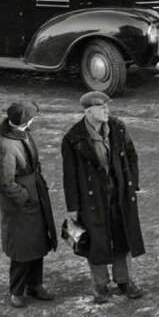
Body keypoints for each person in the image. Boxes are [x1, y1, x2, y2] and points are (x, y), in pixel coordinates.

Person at [61, 91, 147, 305]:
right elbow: (69, 175)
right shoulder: (73, 138)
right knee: (96, 243)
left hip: (119, 196)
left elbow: (132, 156)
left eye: (107, 107)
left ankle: (124, 281)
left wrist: (132, 185)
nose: (107, 111)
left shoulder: (117, 128)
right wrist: (73, 206)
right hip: (92, 201)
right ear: (89, 112)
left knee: (122, 238)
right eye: (102, 108)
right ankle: (100, 285)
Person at [0, 100, 57, 308]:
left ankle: (34, 284)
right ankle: (17, 290)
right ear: (24, 121)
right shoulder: (5, 145)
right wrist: (23, 197)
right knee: (21, 249)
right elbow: (3, 181)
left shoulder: (20, 133)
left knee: (37, 243)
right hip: (20, 204)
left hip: (33, 195)